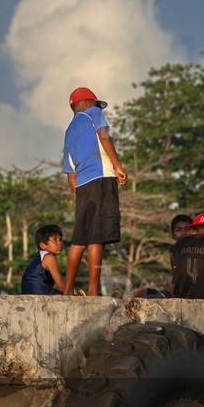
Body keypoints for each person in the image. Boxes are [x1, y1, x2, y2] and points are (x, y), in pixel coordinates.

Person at [60, 87, 127, 296]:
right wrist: (117, 166)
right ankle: (93, 290)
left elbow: (69, 170)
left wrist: (79, 189)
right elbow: (105, 137)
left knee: (80, 238)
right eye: (96, 103)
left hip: (82, 186)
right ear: (87, 102)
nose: (99, 107)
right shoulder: (94, 114)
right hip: (101, 179)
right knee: (97, 237)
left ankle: (68, 290)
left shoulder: (69, 130)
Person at [21, 225, 65, 294]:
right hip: (40, 295)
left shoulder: (40, 256)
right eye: (55, 240)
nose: (59, 243)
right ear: (43, 245)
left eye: (60, 239)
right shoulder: (49, 257)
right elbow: (60, 284)